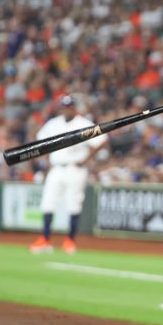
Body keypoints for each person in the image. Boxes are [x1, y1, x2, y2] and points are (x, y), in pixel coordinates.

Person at [29, 95, 108, 255]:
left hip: (75, 169)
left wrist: (86, 159)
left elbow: (102, 140)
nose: (66, 109)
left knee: (73, 204)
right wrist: (46, 159)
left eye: (69, 107)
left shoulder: (83, 124)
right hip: (56, 168)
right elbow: (39, 140)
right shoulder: (54, 123)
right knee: (47, 203)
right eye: (64, 107)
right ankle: (45, 239)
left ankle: (70, 241)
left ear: (74, 108)